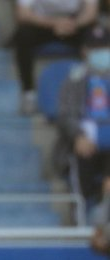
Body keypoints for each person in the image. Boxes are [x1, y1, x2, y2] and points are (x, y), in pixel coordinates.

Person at [13, 0, 98, 114]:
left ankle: (97, 89)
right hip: (42, 23)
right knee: (23, 35)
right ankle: (28, 94)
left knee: (97, 34)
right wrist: (54, 23)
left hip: (74, 23)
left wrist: (72, 24)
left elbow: (91, 13)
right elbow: (23, 14)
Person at [57, 24, 110, 206]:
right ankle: (80, 212)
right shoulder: (75, 78)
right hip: (85, 141)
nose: (100, 52)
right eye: (94, 48)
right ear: (84, 51)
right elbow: (65, 114)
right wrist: (78, 136)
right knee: (82, 152)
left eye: (104, 47)